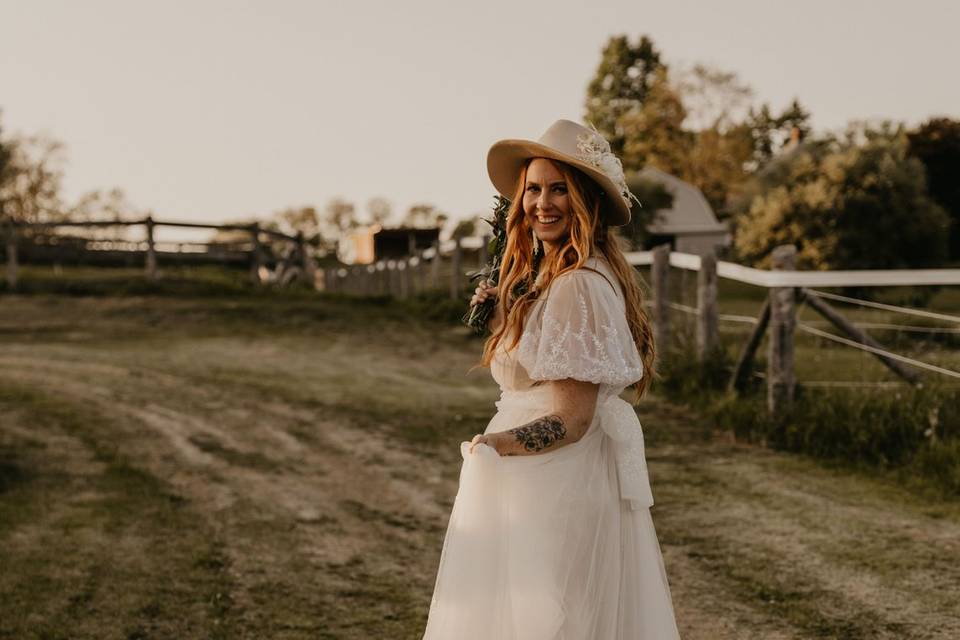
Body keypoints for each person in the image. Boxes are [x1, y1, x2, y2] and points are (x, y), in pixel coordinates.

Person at [421, 119, 681, 639]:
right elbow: (539, 372)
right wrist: (504, 318)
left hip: (556, 479)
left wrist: (495, 444)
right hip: (557, 477)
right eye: (533, 189)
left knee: (550, 619)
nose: (542, 202)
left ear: (583, 198)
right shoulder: (568, 275)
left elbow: (572, 418)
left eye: (558, 188)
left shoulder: (575, 287)